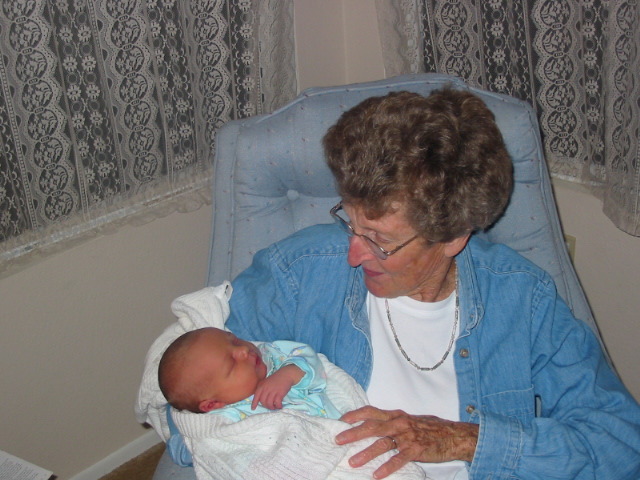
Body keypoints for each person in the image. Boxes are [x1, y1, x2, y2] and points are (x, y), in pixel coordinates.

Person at [223, 88, 640, 479]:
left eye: (380, 240)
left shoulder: (522, 298)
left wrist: (464, 439)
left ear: (453, 235)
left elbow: (622, 447)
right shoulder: (297, 272)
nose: (353, 254)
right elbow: (186, 404)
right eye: (349, 222)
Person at [158, 326, 341, 419]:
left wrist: (289, 373)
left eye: (235, 341)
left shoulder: (274, 356)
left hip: (340, 428)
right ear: (213, 403)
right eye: (231, 363)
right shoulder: (226, 420)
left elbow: (312, 361)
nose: (243, 351)